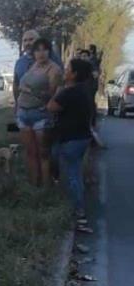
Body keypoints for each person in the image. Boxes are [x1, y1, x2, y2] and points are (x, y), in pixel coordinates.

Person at [47, 59, 93, 219]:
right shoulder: (83, 90)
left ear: (74, 74)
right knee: (75, 174)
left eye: (68, 69)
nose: (64, 71)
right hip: (82, 138)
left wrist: (58, 89)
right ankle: (77, 206)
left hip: (71, 140)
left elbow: (51, 106)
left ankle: (76, 210)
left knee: (71, 175)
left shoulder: (69, 92)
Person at [16, 38, 63, 187]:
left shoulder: (54, 69)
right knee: (30, 152)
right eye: (37, 50)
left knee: (43, 153)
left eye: (44, 49)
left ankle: (45, 187)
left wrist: (30, 90)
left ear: (49, 51)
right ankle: (33, 185)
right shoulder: (33, 66)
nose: (41, 53)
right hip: (23, 113)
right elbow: (19, 85)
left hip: (40, 115)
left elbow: (52, 94)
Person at [13, 29, 63, 103]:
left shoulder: (52, 59)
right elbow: (16, 84)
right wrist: (17, 104)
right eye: (25, 40)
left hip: (43, 109)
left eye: (31, 39)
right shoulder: (19, 62)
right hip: (23, 110)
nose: (28, 43)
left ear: (39, 41)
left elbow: (59, 86)